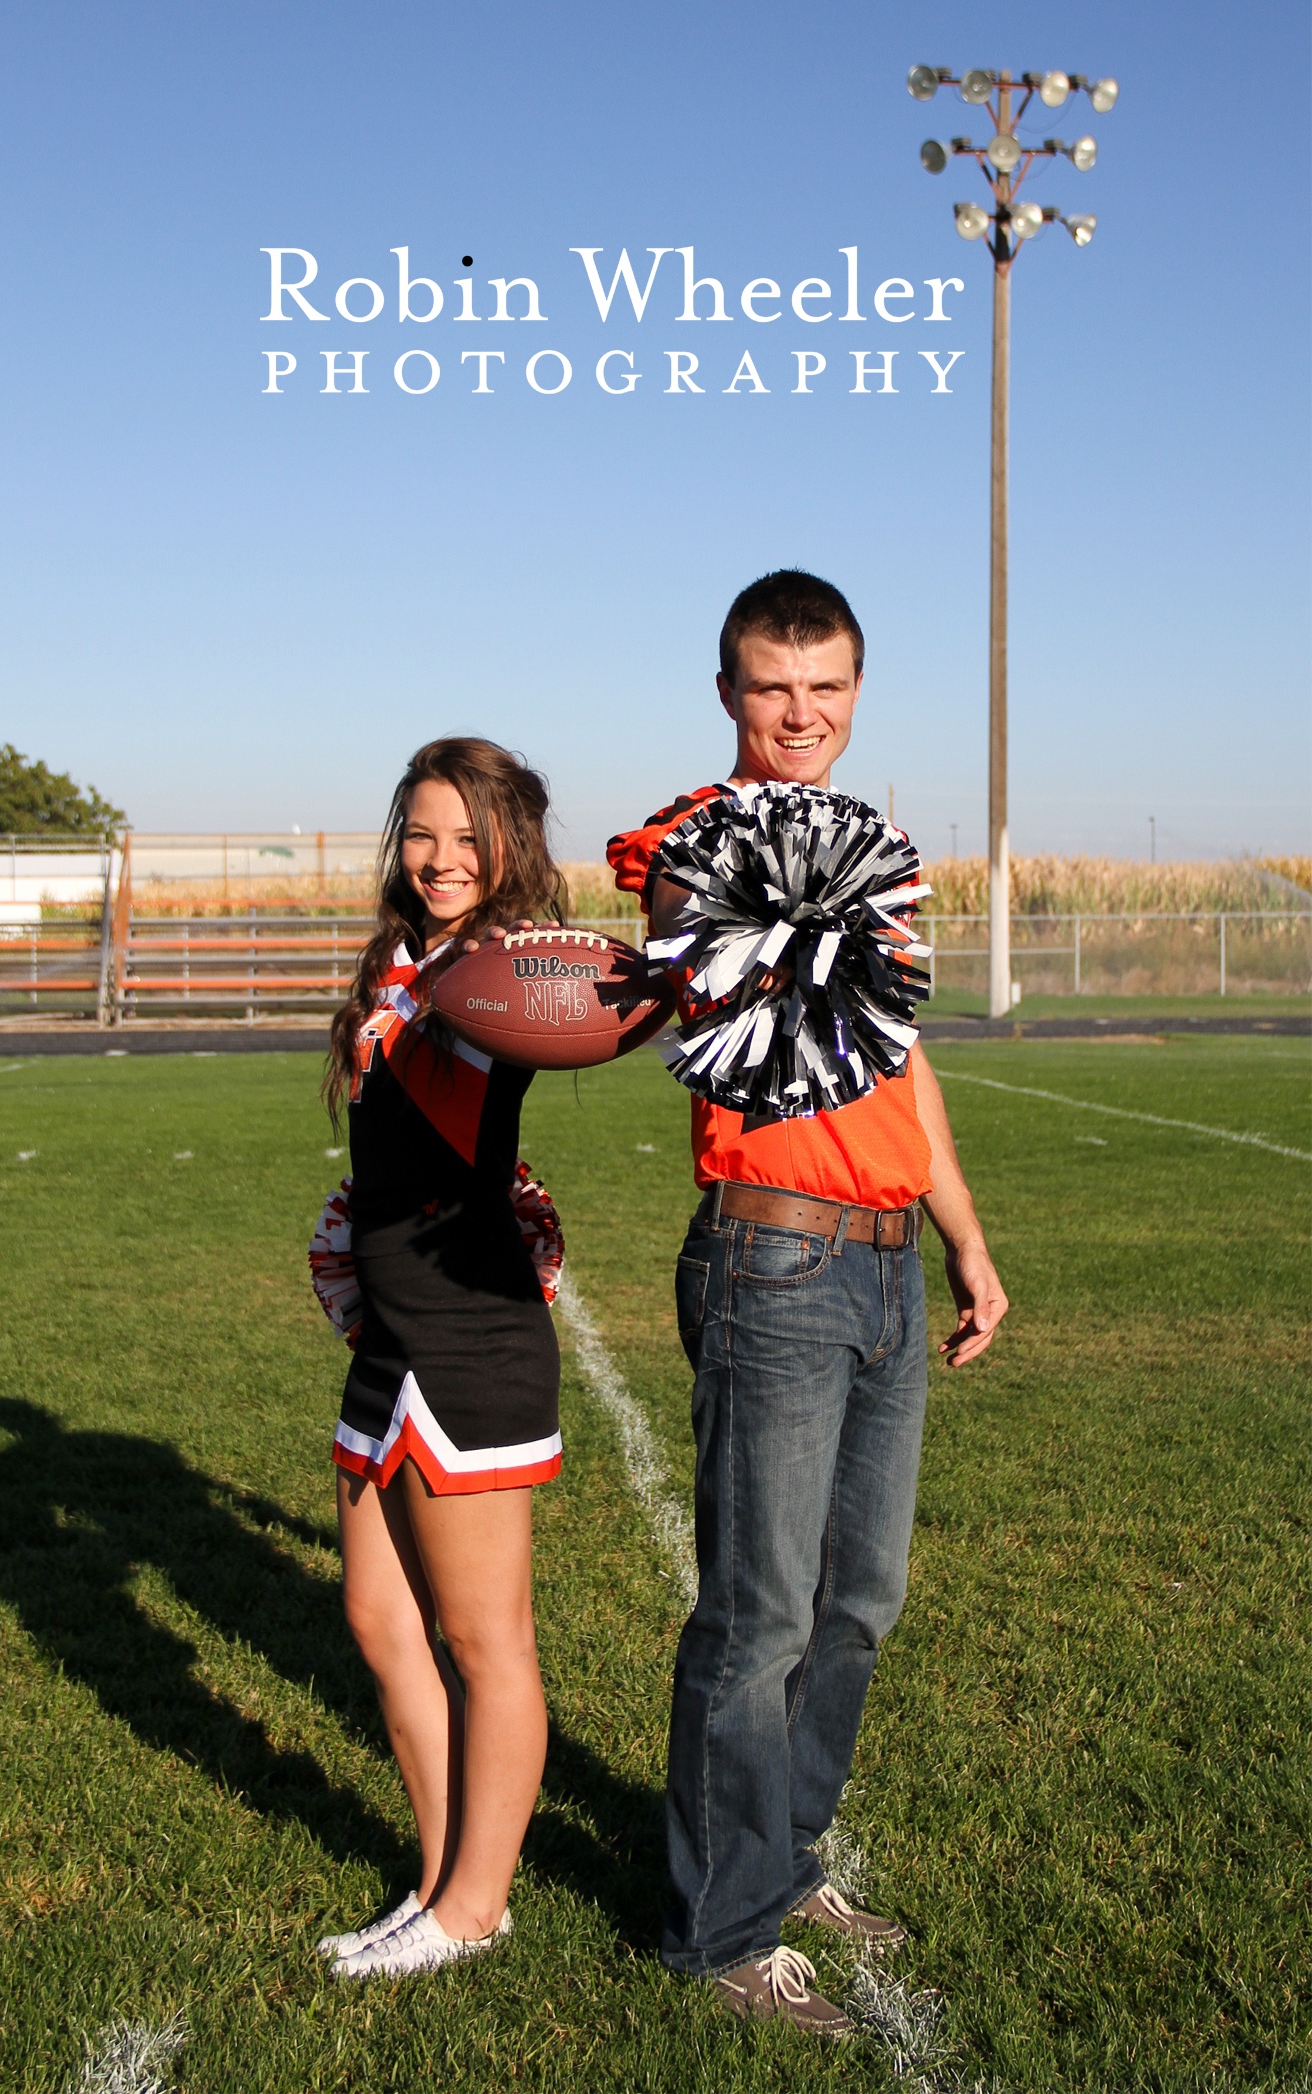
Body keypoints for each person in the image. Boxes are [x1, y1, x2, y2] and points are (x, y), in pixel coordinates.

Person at [606, 570, 1010, 2040]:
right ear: (727, 693)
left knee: (859, 1600)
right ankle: (719, 1931)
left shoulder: (874, 851)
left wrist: (963, 1235)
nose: (799, 714)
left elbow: (894, 1056)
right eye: (772, 687)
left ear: (854, 693)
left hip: (888, 1255)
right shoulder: (692, 843)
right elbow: (704, 964)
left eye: (825, 687)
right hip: (770, 1260)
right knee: (758, 1615)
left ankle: (786, 1857)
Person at [315, 736, 566, 1981]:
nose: (441, 857)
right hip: (390, 1332)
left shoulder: (509, 971)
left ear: (511, 844)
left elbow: (587, 1006)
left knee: (485, 1641)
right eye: (422, 832)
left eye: (469, 836)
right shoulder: (401, 962)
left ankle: (480, 1906)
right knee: (375, 1616)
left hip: (473, 1335)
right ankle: (437, 1884)